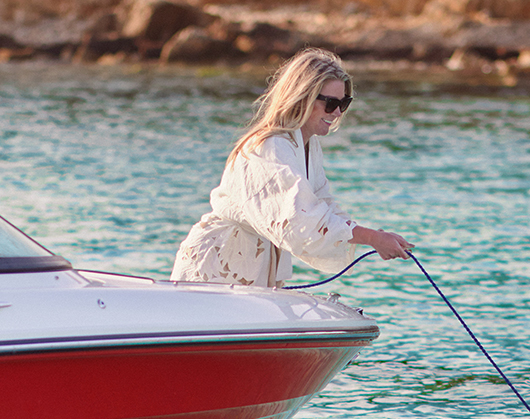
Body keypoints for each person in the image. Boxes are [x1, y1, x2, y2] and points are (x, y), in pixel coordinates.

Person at [171, 48, 413, 287]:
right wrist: (371, 237)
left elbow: (323, 205)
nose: (338, 112)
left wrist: (375, 238)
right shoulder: (271, 147)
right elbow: (300, 218)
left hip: (250, 268)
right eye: (330, 103)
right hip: (217, 266)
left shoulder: (308, 146)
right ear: (303, 97)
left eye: (344, 103)